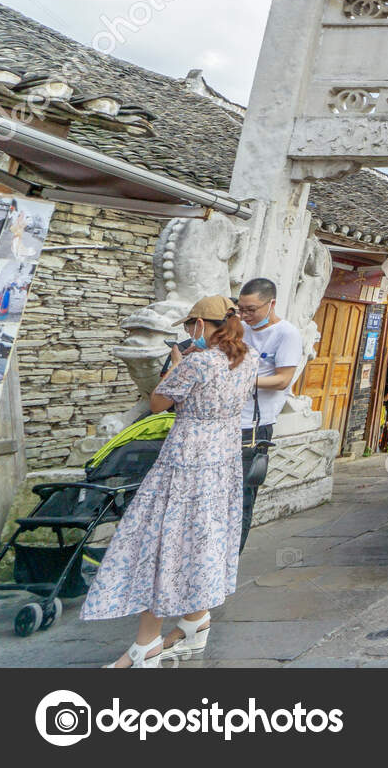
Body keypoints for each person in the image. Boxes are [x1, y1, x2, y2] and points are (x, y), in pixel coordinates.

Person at [82, 296, 256, 667]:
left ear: (200, 324)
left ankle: (147, 645)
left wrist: (176, 365)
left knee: (162, 542)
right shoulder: (249, 358)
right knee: (203, 538)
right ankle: (195, 620)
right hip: (223, 462)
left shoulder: (196, 363)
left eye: (190, 325)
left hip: (186, 462)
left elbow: (158, 404)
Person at [235, 278, 304, 553]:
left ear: (271, 303)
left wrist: (242, 381)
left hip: (255, 426)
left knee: (241, 498)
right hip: (227, 419)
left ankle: (231, 559)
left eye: (251, 309)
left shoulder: (287, 334)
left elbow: (283, 380)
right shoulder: (240, 327)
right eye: (241, 309)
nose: (245, 315)